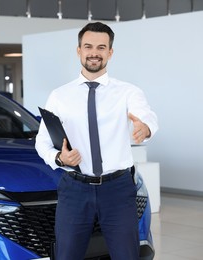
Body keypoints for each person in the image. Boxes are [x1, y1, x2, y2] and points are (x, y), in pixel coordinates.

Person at [35, 22, 158, 260]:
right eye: (88, 46)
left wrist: (146, 127)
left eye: (101, 47)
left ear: (110, 52)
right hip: (74, 189)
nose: (94, 52)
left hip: (118, 189)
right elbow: (42, 142)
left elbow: (146, 115)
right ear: (78, 50)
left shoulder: (128, 92)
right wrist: (59, 157)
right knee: (67, 255)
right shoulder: (60, 96)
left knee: (127, 255)